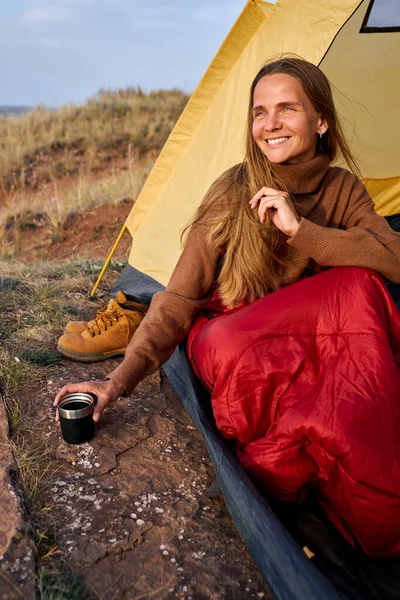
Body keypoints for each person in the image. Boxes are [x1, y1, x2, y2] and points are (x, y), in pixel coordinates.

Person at [55, 57, 400, 556]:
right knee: (348, 295)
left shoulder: (341, 188)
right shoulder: (234, 189)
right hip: (235, 346)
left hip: (303, 348)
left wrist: (302, 231)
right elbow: (178, 298)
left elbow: (391, 255)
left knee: (361, 288)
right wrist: (116, 382)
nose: (270, 124)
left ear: (320, 120)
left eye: (287, 109)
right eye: (260, 112)